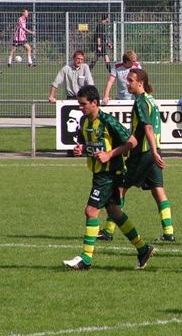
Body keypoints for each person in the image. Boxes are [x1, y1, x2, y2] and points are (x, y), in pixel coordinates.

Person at [63, 85, 154, 271]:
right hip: (99, 173)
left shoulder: (108, 121)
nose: (80, 107)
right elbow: (85, 141)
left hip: (110, 174)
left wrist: (109, 154)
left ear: (95, 103)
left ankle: (86, 259)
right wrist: (80, 148)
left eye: (83, 104)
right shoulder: (85, 121)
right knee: (114, 212)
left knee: (91, 211)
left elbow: (132, 142)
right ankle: (143, 248)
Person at [98, 69, 175, 243]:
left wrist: (152, 151)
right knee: (158, 190)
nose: (127, 83)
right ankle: (169, 232)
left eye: (130, 80)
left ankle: (108, 231)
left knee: (119, 189)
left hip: (143, 153)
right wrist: (156, 151)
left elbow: (147, 128)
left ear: (140, 83)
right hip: (154, 152)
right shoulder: (151, 100)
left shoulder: (140, 101)